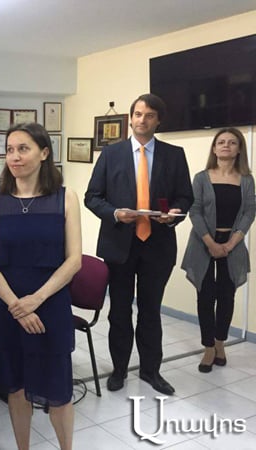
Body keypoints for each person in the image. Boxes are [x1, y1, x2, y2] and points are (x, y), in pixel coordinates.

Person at [0, 122, 81, 450]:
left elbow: (74, 260)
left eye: (23, 148)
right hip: (7, 307)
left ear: (44, 153)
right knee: (16, 387)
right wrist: (17, 306)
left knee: (59, 389)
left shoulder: (65, 198)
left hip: (50, 305)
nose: (14, 156)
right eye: (10, 150)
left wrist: (35, 299)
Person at [84, 93, 193, 395]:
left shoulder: (174, 155)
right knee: (119, 311)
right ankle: (119, 370)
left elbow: (185, 196)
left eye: (149, 115)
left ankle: (150, 371)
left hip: (158, 246)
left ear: (159, 120)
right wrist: (115, 213)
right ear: (130, 119)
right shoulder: (111, 154)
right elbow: (92, 197)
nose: (142, 120)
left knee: (150, 311)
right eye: (138, 114)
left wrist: (174, 214)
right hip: (119, 245)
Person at [181, 128, 255, 373]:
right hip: (203, 243)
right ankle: (208, 347)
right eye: (221, 142)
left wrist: (231, 243)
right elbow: (195, 210)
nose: (226, 145)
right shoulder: (202, 177)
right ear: (214, 148)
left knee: (226, 296)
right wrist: (211, 243)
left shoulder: (246, 179)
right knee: (205, 296)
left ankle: (220, 343)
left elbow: (249, 212)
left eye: (232, 142)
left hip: (232, 243)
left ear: (239, 149)